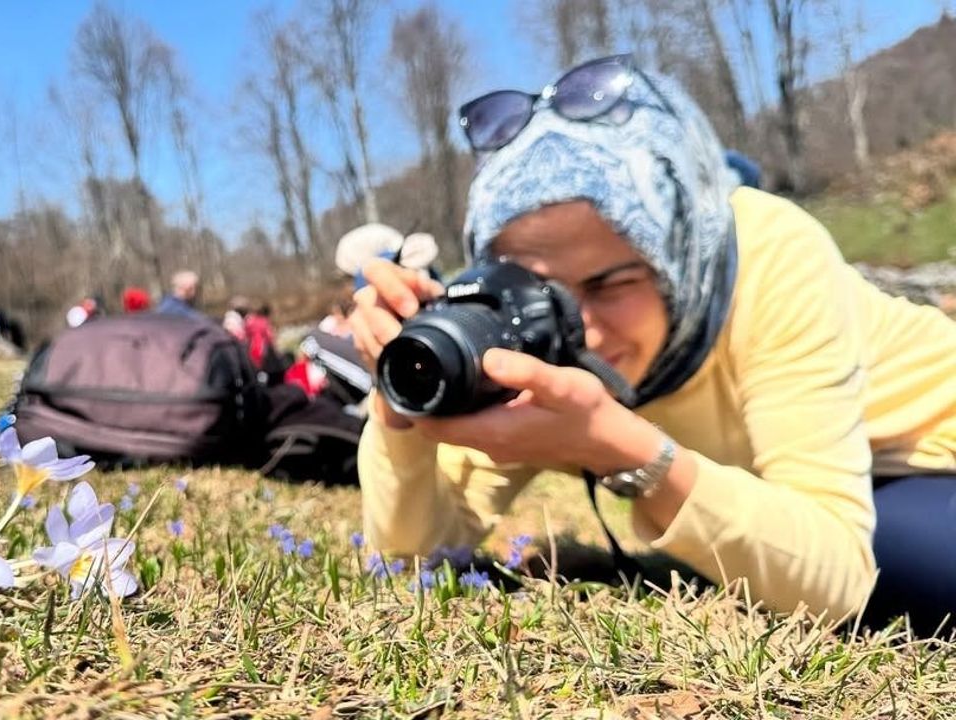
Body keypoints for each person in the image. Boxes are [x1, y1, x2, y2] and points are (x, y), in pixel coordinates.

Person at [352, 54, 956, 635]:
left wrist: (623, 450)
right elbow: (410, 559)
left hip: (930, 445)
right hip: (809, 489)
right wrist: (402, 411)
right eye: (543, 291)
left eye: (611, 283)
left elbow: (838, 581)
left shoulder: (770, 255)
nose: (579, 329)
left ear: (677, 257)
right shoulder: (532, 340)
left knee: (909, 565)